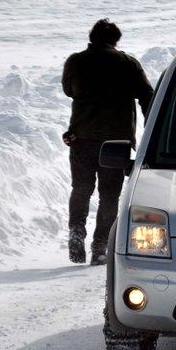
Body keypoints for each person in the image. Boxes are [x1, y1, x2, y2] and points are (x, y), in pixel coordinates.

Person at [62, 19, 154, 265]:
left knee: (81, 188)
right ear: (116, 40)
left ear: (91, 38)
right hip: (116, 142)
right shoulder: (127, 64)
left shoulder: (76, 62)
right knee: (109, 195)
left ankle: (76, 232)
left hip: (81, 137)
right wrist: (153, 129)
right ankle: (100, 246)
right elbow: (147, 96)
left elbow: (68, 90)